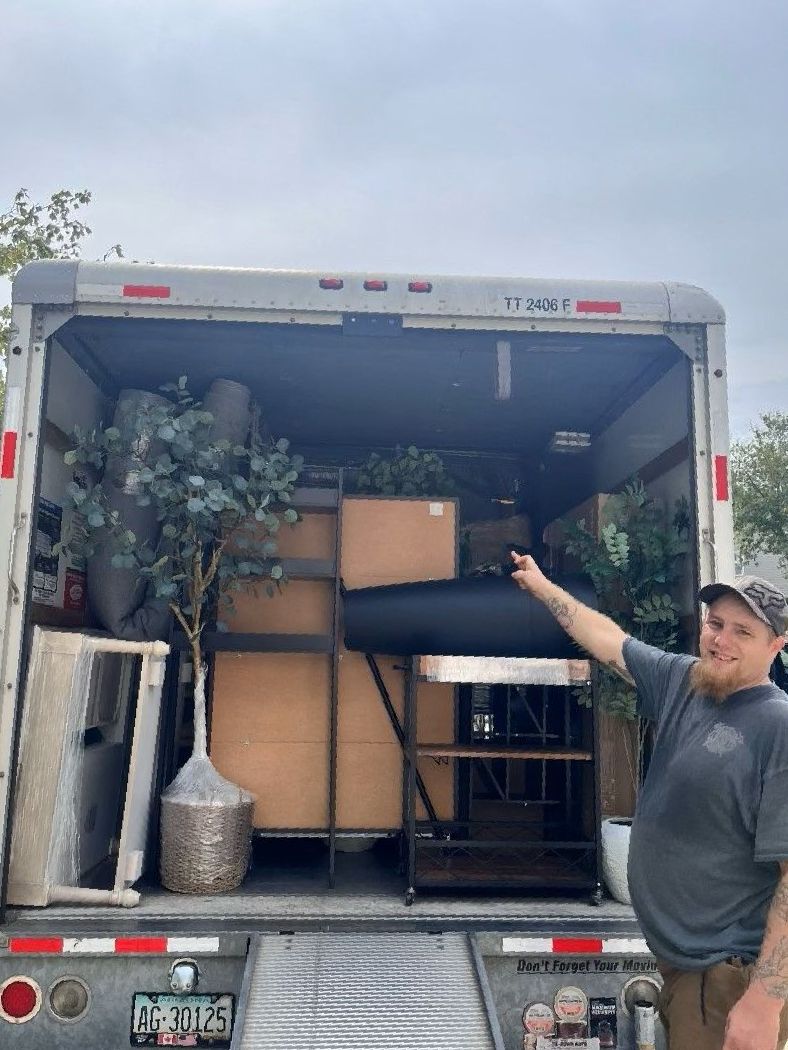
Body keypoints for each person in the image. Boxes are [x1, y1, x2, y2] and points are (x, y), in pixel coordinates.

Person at [510, 553, 788, 1050]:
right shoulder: (687, 683)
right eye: (715, 623)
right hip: (686, 969)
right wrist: (542, 587)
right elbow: (609, 641)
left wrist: (764, 1005)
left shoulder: (778, 727)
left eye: (742, 632)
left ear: (777, 645)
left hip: (727, 978)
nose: (721, 641)